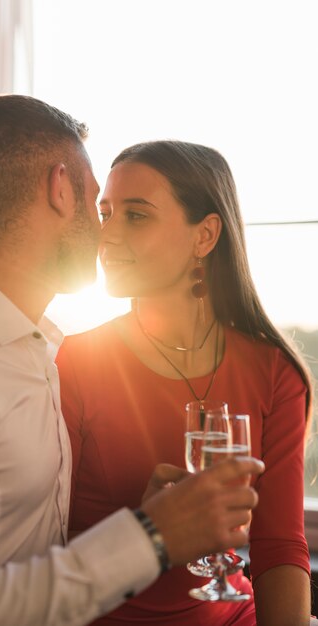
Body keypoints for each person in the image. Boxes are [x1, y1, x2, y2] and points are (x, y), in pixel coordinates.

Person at [0, 96, 263, 626]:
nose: (107, 234)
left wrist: (148, 518)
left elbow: (38, 548)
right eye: (98, 205)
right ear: (60, 188)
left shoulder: (42, 351)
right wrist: (150, 538)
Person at [56, 140, 314, 626]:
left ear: (205, 236)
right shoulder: (75, 362)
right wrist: (145, 527)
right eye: (105, 213)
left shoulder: (275, 372)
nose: (105, 234)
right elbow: (43, 545)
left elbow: (279, 545)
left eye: (135, 215)